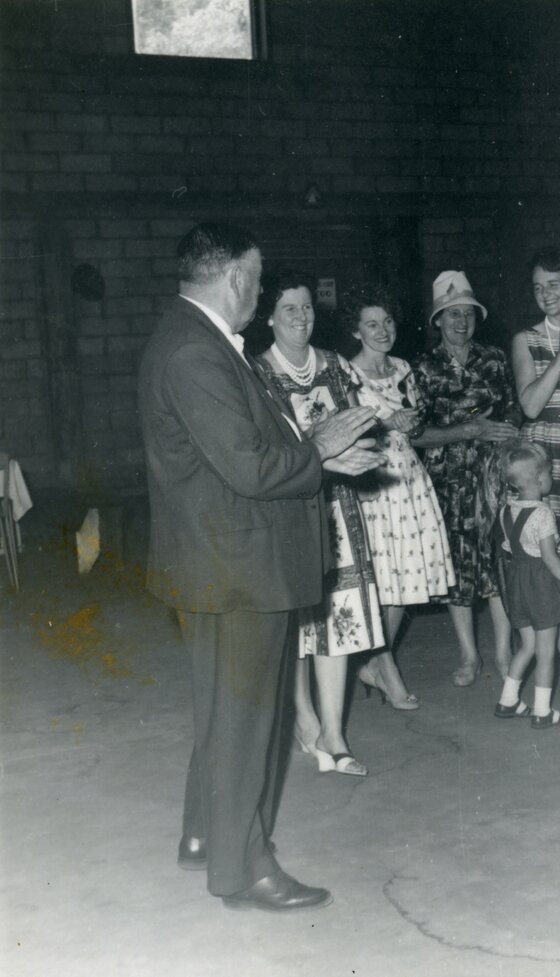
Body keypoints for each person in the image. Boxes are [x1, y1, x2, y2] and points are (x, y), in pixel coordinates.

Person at [139, 224, 379, 911]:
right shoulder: (196, 350)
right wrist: (319, 450)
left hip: (221, 559)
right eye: (259, 277)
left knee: (225, 709)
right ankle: (244, 869)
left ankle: (202, 835)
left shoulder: (190, 337)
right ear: (236, 278)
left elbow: (238, 449)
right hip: (236, 566)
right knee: (247, 720)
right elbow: (247, 466)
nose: (262, 290)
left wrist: (319, 458)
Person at [253, 271, 399, 776]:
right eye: (289, 309)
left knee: (339, 616)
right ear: (270, 317)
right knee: (297, 620)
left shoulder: (335, 365)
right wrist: (323, 454)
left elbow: (362, 428)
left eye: (307, 307)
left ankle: (335, 735)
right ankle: (304, 716)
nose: (301, 317)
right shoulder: (257, 373)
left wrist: (359, 448)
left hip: (339, 508)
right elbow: (268, 453)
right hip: (289, 509)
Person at [345, 284, 456, 695]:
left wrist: (411, 423)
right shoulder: (346, 372)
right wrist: (385, 424)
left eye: (387, 321)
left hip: (409, 479)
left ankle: (375, 662)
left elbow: (417, 425)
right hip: (374, 481)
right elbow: (348, 433)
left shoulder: (404, 368)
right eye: (371, 324)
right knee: (382, 577)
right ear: (356, 331)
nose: (382, 331)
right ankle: (383, 668)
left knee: (405, 580)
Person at [412, 270, 520, 685]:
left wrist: (505, 430)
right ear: (438, 320)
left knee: (497, 561)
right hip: (448, 482)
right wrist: (469, 429)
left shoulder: (493, 358)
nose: (461, 322)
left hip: (492, 477)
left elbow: (513, 410)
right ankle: (469, 655)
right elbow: (416, 434)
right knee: (457, 566)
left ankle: (504, 652)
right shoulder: (423, 368)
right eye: (453, 314)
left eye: (468, 314)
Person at [510, 247, 560, 706]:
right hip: (546, 460)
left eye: (554, 285)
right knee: (550, 559)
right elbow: (531, 405)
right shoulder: (527, 339)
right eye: (538, 287)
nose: (545, 294)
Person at [493, 440, 560, 728]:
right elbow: (549, 558)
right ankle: (542, 711)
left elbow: (508, 547)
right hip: (540, 585)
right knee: (546, 652)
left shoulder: (506, 510)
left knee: (526, 646)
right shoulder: (543, 514)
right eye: (549, 473)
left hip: (517, 583)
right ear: (539, 479)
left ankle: (508, 700)